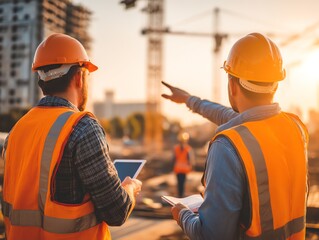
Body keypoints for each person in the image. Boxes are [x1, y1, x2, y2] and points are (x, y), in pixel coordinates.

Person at [162, 33, 308, 239]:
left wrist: (182, 214)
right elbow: (230, 115)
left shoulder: (228, 147)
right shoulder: (295, 127)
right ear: (275, 84)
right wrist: (188, 99)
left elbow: (211, 235)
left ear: (232, 85)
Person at [1, 33, 142, 240]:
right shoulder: (82, 127)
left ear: (41, 80)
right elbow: (116, 211)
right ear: (79, 77)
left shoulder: (17, 130)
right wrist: (129, 188)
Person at [172, 132, 194, 197]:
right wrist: (191, 166)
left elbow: (173, 159)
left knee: (180, 183)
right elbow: (191, 160)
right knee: (181, 183)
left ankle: (180, 195)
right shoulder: (187, 148)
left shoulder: (179, 148)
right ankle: (180, 195)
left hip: (180, 169)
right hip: (181, 169)